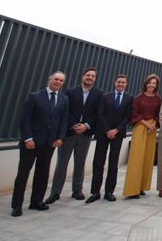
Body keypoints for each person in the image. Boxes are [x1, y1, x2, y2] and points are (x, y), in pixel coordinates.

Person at [11, 71, 69, 217]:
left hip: (50, 143)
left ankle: (36, 201)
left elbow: (64, 120)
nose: (58, 82)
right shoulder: (35, 97)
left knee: (42, 174)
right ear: (50, 80)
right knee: (23, 174)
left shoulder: (63, 99)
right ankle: (17, 205)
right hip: (32, 143)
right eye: (56, 79)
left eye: (61, 80)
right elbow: (25, 120)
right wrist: (28, 139)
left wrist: (60, 137)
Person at [45, 67, 103, 204]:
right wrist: (74, 125)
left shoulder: (99, 94)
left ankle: (77, 189)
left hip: (86, 133)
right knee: (62, 163)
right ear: (82, 76)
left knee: (80, 162)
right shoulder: (71, 92)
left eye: (92, 76)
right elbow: (66, 111)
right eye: (88, 75)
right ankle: (55, 192)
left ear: (95, 79)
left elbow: (97, 113)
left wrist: (86, 125)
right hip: (70, 132)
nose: (90, 78)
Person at [86, 74, 133, 204]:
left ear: (126, 84)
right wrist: (107, 130)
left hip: (117, 134)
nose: (120, 84)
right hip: (103, 134)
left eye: (123, 82)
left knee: (113, 163)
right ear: (115, 83)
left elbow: (127, 117)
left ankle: (109, 192)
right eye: (119, 82)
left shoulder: (129, 98)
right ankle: (95, 192)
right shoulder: (106, 96)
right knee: (98, 162)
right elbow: (100, 113)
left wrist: (116, 130)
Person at [122, 73, 162, 198]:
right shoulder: (138, 98)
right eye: (150, 83)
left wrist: (154, 124)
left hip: (152, 129)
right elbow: (134, 113)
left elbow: (159, 114)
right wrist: (146, 124)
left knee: (147, 158)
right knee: (136, 158)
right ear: (146, 83)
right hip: (140, 127)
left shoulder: (157, 99)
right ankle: (132, 189)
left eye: (154, 83)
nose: (151, 85)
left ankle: (141, 187)